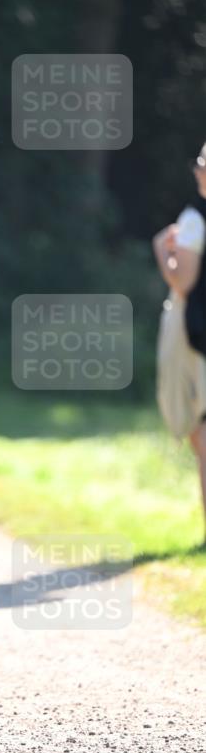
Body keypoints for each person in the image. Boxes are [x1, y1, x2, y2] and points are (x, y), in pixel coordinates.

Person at [153, 141, 206, 545]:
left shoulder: (194, 219)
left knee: (202, 431)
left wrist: (161, 253)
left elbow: (182, 282)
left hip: (196, 334)